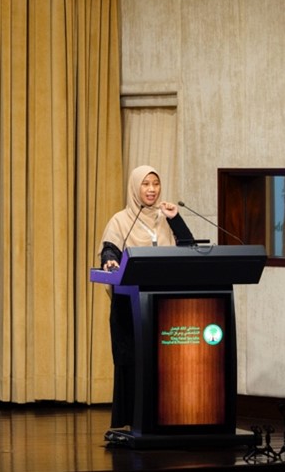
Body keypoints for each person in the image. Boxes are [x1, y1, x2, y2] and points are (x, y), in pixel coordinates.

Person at [99, 164, 193, 430]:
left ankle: (167, 419)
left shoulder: (166, 218)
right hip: (130, 307)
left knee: (166, 364)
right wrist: (110, 261)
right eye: (146, 184)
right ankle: (133, 422)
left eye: (156, 184)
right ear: (135, 187)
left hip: (164, 306)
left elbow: (190, 249)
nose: (152, 189)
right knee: (133, 362)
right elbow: (109, 251)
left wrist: (176, 219)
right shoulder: (120, 220)